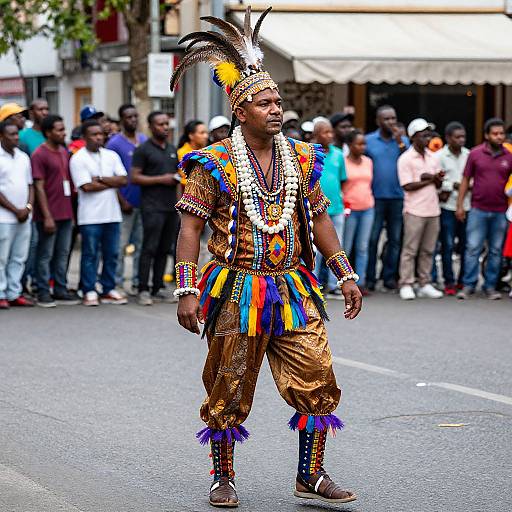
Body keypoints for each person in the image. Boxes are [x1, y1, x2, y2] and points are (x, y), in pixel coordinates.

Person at [170, 8, 360, 507]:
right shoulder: (212, 163)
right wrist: (187, 290)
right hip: (235, 289)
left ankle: (311, 475)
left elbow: (318, 219)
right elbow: (189, 227)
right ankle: (223, 477)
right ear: (241, 110)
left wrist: (345, 275)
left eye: (278, 101)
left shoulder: (301, 158)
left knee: (318, 376)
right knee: (228, 384)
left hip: (294, 286)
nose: (276, 109)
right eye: (264, 101)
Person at [70, 119, 128, 306]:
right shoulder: (78, 158)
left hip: (112, 213)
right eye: (94, 135)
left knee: (111, 253)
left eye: (100, 134)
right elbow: (86, 186)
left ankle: (108, 288)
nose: (98, 137)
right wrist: (110, 182)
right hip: (90, 216)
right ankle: (89, 289)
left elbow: (123, 180)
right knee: (90, 254)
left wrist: (101, 179)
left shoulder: (111, 155)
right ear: (85, 137)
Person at [456, 118, 512, 300]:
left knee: (496, 250)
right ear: (487, 135)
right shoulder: (475, 154)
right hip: (478, 209)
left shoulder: (509, 156)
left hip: (501, 211)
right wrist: (460, 205)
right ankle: (468, 285)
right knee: (473, 248)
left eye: (502, 133)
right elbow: (465, 180)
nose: (499, 137)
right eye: (495, 133)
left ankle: (490, 286)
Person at [131, 112, 179, 306]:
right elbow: (135, 177)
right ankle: (143, 288)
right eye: (160, 124)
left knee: (165, 248)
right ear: (151, 127)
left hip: (169, 207)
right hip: (152, 207)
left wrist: (179, 204)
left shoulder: (171, 149)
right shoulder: (143, 150)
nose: (165, 127)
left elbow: (175, 179)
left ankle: (158, 287)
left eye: (167, 123)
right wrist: (161, 179)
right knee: (149, 248)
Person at [31, 115, 78, 307]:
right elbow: (38, 186)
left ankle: (60, 288)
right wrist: (47, 216)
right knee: (45, 254)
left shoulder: (64, 151)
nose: (63, 132)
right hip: (47, 215)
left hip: (66, 212)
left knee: (63, 252)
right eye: (59, 129)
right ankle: (42, 290)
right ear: (48, 132)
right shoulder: (39, 154)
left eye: (63, 128)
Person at [397, 119, 444, 300]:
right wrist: (430, 179)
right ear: (413, 137)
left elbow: (438, 183)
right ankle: (407, 283)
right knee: (410, 250)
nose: (427, 138)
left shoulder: (434, 156)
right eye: (423, 135)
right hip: (414, 210)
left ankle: (424, 283)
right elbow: (407, 185)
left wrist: (436, 178)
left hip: (433, 209)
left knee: (428, 250)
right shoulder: (405, 159)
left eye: (428, 134)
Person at [365, 105, 409, 291]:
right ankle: (370, 278)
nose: (391, 122)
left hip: (397, 197)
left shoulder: (404, 141)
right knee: (373, 239)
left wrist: (400, 142)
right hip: (375, 198)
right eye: (387, 119)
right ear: (378, 121)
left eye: (393, 118)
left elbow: (410, 161)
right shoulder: (368, 141)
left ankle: (389, 277)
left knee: (395, 239)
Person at [106, 103, 147, 295]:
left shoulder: (144, 140)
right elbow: (110, 175)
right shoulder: (114, 143)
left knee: (141, 245)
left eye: (135, 116)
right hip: (125, 203)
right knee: (121, 245)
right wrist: (121, 200)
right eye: (128, 117)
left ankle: (138, 282)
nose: (133, 120)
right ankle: (117, 282)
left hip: (144, 202)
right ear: (122, 120)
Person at [311, 118, 348, 299]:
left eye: (331, 132)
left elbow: (342, 180)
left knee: (337, 247)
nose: (330, 135)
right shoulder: (310, 153)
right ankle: (314, 284)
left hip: (336, 208)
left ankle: (335, 285)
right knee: (315, 251)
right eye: (325, 132)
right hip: (314, 210)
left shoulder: (339, 154)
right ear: (316, 135)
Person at [0, 121, 34, 309]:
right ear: (1, 136)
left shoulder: (23, 157)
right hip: (4, 217)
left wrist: (28, 207)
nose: (16, 137)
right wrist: (15, 210)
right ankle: (1, 293)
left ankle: (14, 292)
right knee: (2, 258)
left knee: (19, 257)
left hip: (24, 216)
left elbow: (30, 185)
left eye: (16, 134)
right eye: (11, 134)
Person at [433, 122, 470, 295]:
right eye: (457, 137)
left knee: (465, 245)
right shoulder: (439, 156)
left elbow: (474, 179)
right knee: (447, 245)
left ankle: (463, 280)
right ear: (448, 138)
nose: (461, 140)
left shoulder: (469, 155)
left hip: (467, 205)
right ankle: (448, 282)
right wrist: (451, 185)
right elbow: (438, 179)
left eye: (463, 137)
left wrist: (464, 185)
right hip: (447, 206)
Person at [19, 99, 48, 295]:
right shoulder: (22, 137)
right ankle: (22, 283)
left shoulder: (51, 135)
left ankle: (42, 282)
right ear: (32, 112)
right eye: (40, 109)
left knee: (43, 245)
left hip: (49, 197)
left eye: (46, 109)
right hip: (30, 197)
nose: (44, 112)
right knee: (30, 243)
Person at [342, 130, 374, 293]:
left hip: (368, 208)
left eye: (364, 144)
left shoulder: (368, 161)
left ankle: (361, 282)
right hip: (350, 209)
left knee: (362, 247)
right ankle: (345, 281)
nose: (362, 147)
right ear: (349, 145)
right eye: (359, 144)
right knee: (345, 247)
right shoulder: (344, 162)